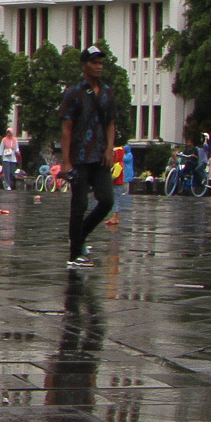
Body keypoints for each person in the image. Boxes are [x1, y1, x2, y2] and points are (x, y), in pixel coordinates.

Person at [59, 47, 118, 267]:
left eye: (101, 62)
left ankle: (80, 235)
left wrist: (110, 148)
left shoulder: (108, 92)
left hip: (100, 155)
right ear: (84, 65)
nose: (99, 66)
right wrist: (65, 161)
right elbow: (66, 127)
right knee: (79, 204)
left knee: (106, 200)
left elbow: (111, 122)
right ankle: (75, 253)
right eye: (94, 62)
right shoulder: (73, 93)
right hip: (79, 157)